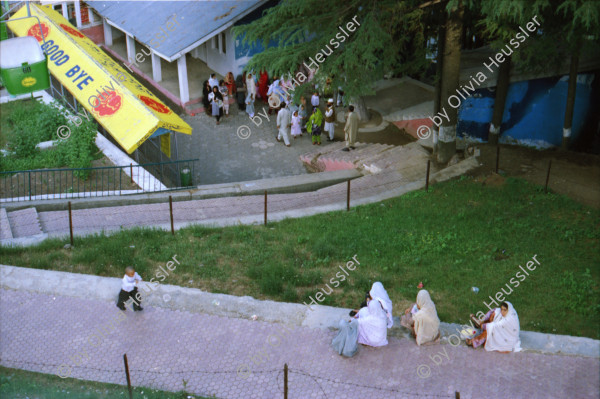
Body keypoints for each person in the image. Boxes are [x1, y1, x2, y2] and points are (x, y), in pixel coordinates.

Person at [356, 282, 393, 347]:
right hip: (383, 320)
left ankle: (364, 339)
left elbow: (359, 321)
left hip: (375, 318)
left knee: (362, 317)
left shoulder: (376, 300)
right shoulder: (386, 300)